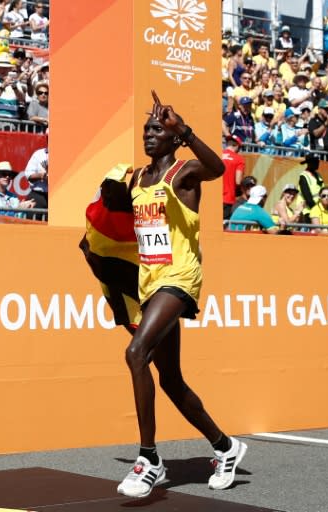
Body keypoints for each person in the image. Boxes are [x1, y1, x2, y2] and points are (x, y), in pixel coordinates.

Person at [112, 91, 245, 499]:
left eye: (156, 130)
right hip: (149, 283)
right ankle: (226, 447)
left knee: (136, 354)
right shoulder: (135, 178)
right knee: (170, 380)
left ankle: (148, 458)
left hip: (180, 278)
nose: (149, 135)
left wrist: (183, 129)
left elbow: (217, 168)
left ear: (170, 136)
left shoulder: (184, 173)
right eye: (146, 130)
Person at [221, 134, 244, 220]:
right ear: (237, 146)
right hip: (227, 198)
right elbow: (238, 181)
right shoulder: (239, 159)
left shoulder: (216, 154)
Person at [298, 153, 324, 223]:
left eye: (317, 161)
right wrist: (318, 210)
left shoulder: (318, 175)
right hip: (307, 211)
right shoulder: (303, 176)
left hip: (318, 210)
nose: (317, 163)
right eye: (315, 162)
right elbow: (308, 198)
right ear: (309, 163)